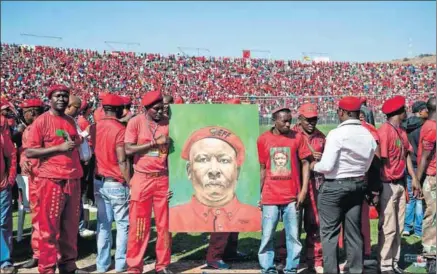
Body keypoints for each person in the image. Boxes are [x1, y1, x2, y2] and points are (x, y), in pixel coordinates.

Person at [310, 96, 377, 274]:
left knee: (330, 234)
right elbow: (368, 164)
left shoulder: (336, 134)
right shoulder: (367, 134)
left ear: (343, 112)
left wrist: (314, 166)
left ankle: (331, 271)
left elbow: (327, 166)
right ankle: (355, 270)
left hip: (334, 186)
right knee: (354, 233)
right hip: (357, 184)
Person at [26, 84, 85, 274]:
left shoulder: (70, 120)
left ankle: (68, 266)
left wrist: (76, 142)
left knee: (70, 228)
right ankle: (47, 268)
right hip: (51, 180)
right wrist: (58, 149)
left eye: (65, 96)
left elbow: (74, 142)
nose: (61, 99)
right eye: (58, 95)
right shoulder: (42, 121)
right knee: (48, 229)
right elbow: (30, 151)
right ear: (50, 99)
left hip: (72, 179)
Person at [169, 125, 261, 232]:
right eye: (203, 159)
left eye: (224, 160)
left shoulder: (255, 216)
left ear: (237, 172)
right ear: (189, 171)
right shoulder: (174, 217)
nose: (214, 170)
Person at [257, 106, 311, 274]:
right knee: (267, 236)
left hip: (292, 197)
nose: (289, 124)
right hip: (270, 196)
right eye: (284, 121)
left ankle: (291, 269)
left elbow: (306, 163)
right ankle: (268, 269)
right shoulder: (263, 139)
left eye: (290, 120)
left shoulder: (298, 138)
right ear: (275, 121)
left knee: (294, 237)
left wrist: (303, 191)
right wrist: (259, 193)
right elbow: (262, 168)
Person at [124, 91, 173, 274]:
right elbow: (128, 149)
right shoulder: (135, 122)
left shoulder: (168, 123)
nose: (160, 113)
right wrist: (153, 143)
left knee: (164, 226)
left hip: (163, 178)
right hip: (142, 178)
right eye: (156, 109)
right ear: (146, 109)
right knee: (139, 225)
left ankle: (162, 265)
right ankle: (134, 266)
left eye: (163, 109)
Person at [377, 95, 420, 274]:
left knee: (399, 227)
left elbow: (407, 156)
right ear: (397, 112)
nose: (406, 112)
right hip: (388, 184)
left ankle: (394, 262)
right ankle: (385, 264)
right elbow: (381, 159)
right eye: (403, 110)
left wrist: (414, 178)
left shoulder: (402, 131)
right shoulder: (384, 131)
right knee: (389, 227)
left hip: (401, 183)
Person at [204, 97, 247, 270]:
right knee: (222, 216)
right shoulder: (219, 132)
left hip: (237, 176)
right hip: (221, 179)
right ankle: (214, 257)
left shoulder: (238, 129)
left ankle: (230, 251)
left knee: (234, 215)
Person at [89, 94, 130, 273]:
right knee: (122, 224)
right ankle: (120, 264)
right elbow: (122, 160)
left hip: (99, 180)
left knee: (103, 224)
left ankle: (102, 264)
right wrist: (130, 182)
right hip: (116, 181)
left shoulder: (93, 127)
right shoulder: (120, 129)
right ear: (118, 109)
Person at [18, 99, 45, 269]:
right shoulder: (27, 130)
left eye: (25, 111)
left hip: (46, 179)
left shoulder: (45, 127)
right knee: (36, 218)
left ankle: (51, 254)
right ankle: (37, 253)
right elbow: (24, 152)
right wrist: (22, 161)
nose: (23, 115)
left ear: (33, 111)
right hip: (34, 181)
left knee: (48, 219)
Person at [65, 95, 96, 238]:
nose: (78, 111)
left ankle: (79, 228)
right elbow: (70, 140)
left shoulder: (72, 120)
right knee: (75, 200)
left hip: (79, 164)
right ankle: (79, 228)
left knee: (77, 199)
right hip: (72, 167)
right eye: (76, 108)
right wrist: (84, 135)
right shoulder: (69, 121)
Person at [415, 98, 436, 273]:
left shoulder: (429, 125)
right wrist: (417, 180)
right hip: (432, 177)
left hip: (431, 176)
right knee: (432, 216)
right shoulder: (431, 127)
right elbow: (425, 156)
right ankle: (430, 256)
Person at [402, 101, 428, 237]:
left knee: (411, 196)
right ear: (421, 111)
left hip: (408, 163)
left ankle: (407, 227)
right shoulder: (425, 126)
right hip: (421, 164)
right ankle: (418, 229)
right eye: (426, 110)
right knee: (419, 198)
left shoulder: (405, 125)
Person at [0, 112, 17, 274]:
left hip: (1, 186)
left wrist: (10, 180)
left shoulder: (1, 127)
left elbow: (11, 154)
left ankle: (4, 260)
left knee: (3, 223)